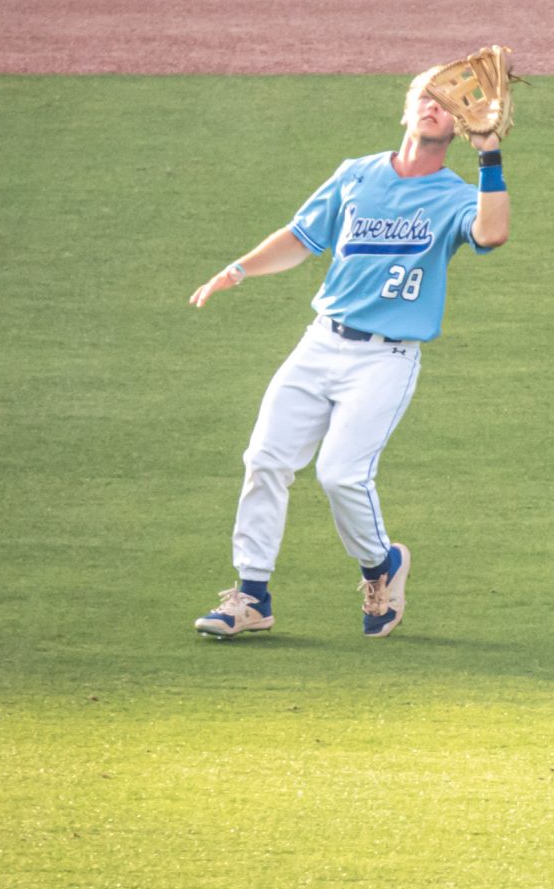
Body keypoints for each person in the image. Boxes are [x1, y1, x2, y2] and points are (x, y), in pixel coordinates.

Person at [186, 69, 511, 639]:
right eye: (424, 97)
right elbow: (301, 236)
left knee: (341, 475)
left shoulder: (456, 196)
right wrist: (238, 269)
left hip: (385, 360)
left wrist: (490, 156)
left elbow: (491, 234)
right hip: (320, 343)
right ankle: (252, 596)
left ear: (459, 125)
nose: (433, 107)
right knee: (263, 459)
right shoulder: (356, 175)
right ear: (405, 111)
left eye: (446, 103)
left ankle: (381, 567)